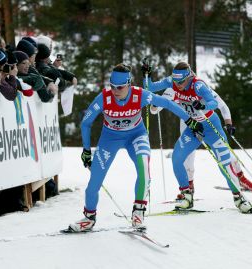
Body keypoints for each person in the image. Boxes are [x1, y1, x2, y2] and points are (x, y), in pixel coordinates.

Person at [68, 63, 203, 232]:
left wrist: (190, 120)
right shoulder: (104, 98)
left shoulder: (140, 95)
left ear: (129, 84)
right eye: (112, 86)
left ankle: (138, 212)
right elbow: (86, 123)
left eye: (120, 87)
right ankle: (89, 218)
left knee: (144, 169)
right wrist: (86, 150)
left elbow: (167, 104)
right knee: (95, 180)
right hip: (110, 138)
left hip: (136, 136)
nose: (115, 90)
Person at [142, 61, 252, 213]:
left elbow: (214, 103)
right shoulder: (172, 82)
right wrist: (146, 75)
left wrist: (203, 106)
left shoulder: (198, 85)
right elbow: (150, 87)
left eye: (180, 81)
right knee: (177, 158)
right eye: (175, 81)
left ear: (188, 77)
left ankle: (238, 197)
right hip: (193, 128)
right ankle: (187, 195)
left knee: (224, 163)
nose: (177, 85)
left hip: (210, 126)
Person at [150, 87, 252, 194]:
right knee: (186, 159)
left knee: (226, 156)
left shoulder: (200, 87)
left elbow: (222, 105)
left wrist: (228, 123)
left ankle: (241, 179)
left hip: (207, 124)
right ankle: (188, 189)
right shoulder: (172, 89)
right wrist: (156, 102)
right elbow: (154, 110)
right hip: (189, 126)